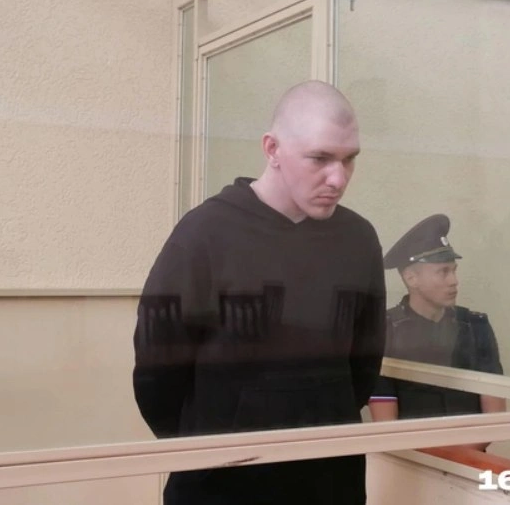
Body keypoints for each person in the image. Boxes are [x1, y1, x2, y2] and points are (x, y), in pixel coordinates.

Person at [133, 80, 386, 505]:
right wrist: (204, 449)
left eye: (349, 159)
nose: (338, 178)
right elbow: (158, 370)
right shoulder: (206, 233)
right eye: (320, 158)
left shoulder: (358, 239)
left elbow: (365, 358)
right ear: (272, 149)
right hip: (222, 484)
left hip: (330, 480)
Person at [368, 214, 506, 450]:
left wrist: (458, 457)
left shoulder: (474, 326)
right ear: (411, 278)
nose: (454, 281)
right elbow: (386, 425)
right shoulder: (384, 331)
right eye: (443, 272)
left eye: (454, 270)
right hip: (412, 463)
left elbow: (495, 418)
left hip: (471, 459)